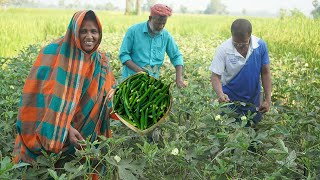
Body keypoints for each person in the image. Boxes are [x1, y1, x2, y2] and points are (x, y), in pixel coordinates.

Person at [13, 10, 116, 165]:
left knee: (81, 168)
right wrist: (64, 128)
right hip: (51, 136)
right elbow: (38, 101)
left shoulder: (101, 62)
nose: (89, 37)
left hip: (85, 134)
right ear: (74, 32)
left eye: (94, 31)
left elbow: (109, 94)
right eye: (83, 31)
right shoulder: (52, 54)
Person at [210, 18, 272, 127]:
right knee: (229, 135)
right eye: (236, 43)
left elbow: (265, 73)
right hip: (229, 102)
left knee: (252, 136)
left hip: (253, 102)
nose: (239, 46)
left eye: (243, 43)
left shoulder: (260, 46)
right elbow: (215, 76)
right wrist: (220, 94)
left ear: (250, 36)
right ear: (231, 35)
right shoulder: (223, 49)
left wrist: (267, 99)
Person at [119, 3, 186, 88]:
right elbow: (124, 55)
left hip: (152, 82)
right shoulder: (133, 31)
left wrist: (179, 78)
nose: (161, 26)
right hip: (130, 80)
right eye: (158, 23)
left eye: (163, 23)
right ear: (150, 18)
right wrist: (139, 70)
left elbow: (176, 56)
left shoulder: (166, 36)